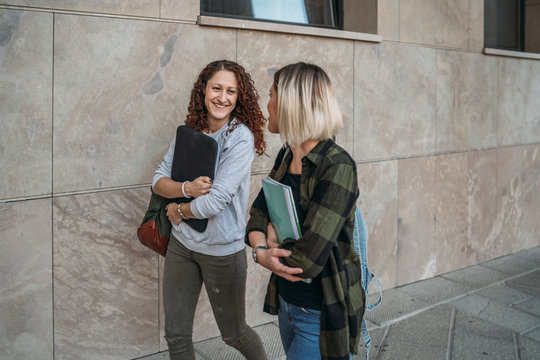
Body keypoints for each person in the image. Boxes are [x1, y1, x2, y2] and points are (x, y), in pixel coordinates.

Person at [246, 62, 365, 360]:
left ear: (290, 103)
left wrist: (267, 245)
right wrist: (263, 248)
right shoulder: (287, 154)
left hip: (319, 313)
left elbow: (307, 260)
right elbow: (257, 214)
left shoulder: (337, 165)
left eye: (271, 94)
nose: (267, 104)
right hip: (286, 304)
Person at [152, 60, 268, 360]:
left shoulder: (239, 137)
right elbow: (158, 180)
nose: (223, 97)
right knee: (176, 336)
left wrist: (179, 212)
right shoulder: (190, 130)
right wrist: (186, 190)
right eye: (217, 88)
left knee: (234, 334)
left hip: (221, 252)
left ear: (239, 97)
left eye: (231, 91)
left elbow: (217, 200)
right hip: (182, 246)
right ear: (203, 90)